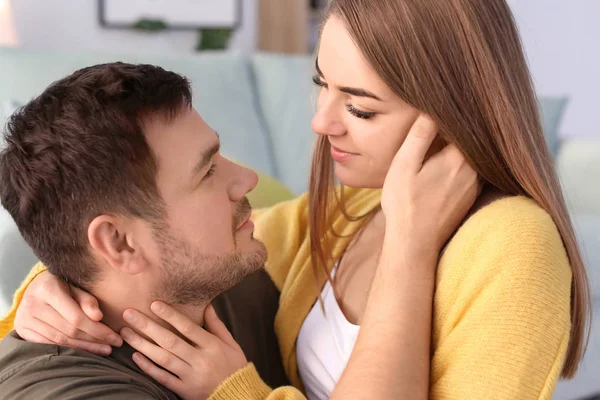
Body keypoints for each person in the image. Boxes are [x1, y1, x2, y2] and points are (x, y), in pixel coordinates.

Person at [1, 0, 591, 398]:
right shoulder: (340, 215)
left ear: (455, 115)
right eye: (320, 85)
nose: (322, 122)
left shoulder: (514, 245)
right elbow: (161, 246)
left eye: (359, 107)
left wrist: (237, 393)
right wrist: (52, 289)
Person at [0, 62, 475, 399]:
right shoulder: (63, 391)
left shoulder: (217, 281)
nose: (246, 180)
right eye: (207, 173)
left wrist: (40, 281)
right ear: (119, 243)